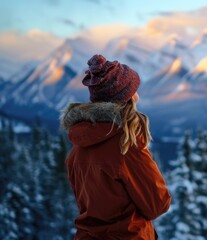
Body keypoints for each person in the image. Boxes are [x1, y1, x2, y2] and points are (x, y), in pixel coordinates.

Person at [60, 54, 171, 239]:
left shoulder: (77, 148)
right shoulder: (126, 148)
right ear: (126, 98)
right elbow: (157, 205)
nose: (138, 95)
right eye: (134, 90)